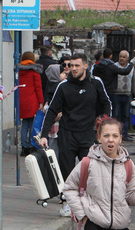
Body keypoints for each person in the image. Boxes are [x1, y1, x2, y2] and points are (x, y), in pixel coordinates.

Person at [39, 53, 112, 217]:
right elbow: (52, 111)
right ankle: (67, 202)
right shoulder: (63, 86)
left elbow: (106, 103)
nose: (73, 68)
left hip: (88, 133)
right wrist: (44, 135)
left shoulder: (95, 83)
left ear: (86, 66)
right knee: (67, 170)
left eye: (77, 65)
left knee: (89, 169)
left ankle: (87, 202)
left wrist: (105, 124)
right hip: (67, 134)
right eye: (71, 65)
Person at [18, 51, 44, 156]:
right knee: (32, 125)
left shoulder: (18, 71)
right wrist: (41, 101)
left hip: (21, 101)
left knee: (24, 124)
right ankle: (30, 145)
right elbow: (38, 88)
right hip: (32, 100)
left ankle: (24, 146)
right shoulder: (34, 71)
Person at [112, 50, 135, 141]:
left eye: (124, 57)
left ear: (127, 58)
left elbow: (134, 81)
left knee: (126, 116)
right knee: (115, 115)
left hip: (127, 94)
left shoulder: (131, 68)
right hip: (116, 94)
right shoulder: (115, 66)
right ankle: (114, 134)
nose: (121, 58)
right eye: (120, 56)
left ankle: (124, 134)